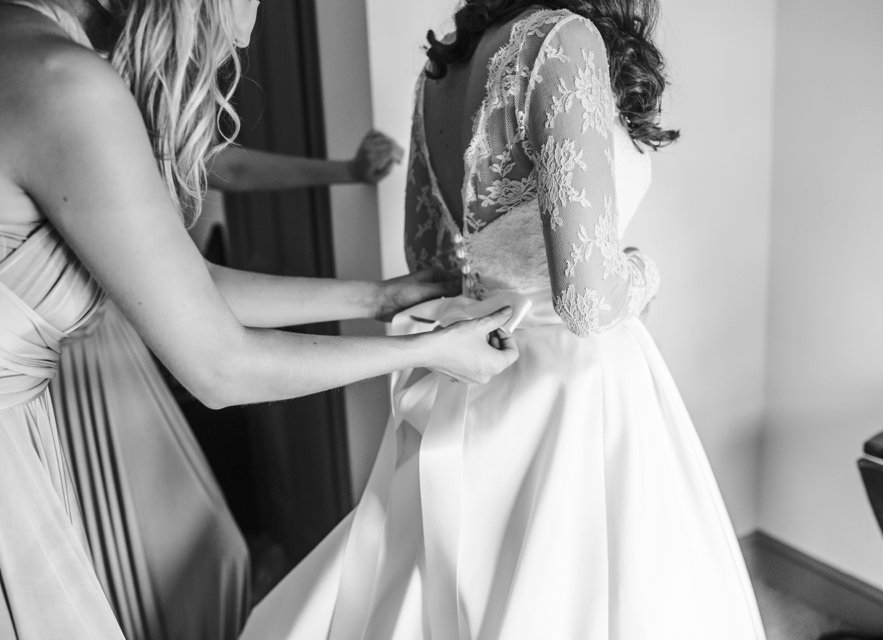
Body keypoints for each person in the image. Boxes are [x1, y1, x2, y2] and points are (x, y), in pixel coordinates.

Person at [240, 2, 767, 639]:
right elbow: (588, 300)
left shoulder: (444, 69)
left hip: (479, 371)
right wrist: (645, 271)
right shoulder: (561, 41)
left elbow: (428, 261)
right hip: (577, 388)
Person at [0, 1, 518, 638]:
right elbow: (221, 367)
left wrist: (379, 299)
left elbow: (187, 286)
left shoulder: (27, 43)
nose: (245, 31)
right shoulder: (66, 83)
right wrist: (432, 349)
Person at [51, 121, 405, 640]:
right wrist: (413, 341)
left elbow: (220, 179)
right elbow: (223, 367)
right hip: (62, 366)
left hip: (116, 343)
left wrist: (377, 291)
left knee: (201, 560)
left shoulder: (121, 106)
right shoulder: (77, 89)